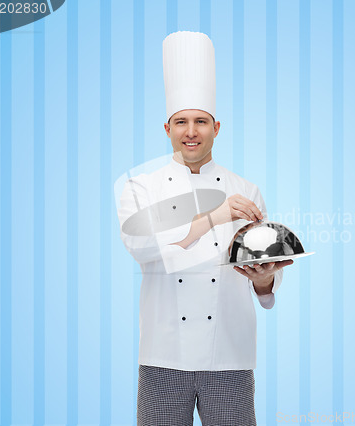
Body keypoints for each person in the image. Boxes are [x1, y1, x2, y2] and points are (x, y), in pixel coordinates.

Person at [117, 31, 293, 426]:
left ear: (217, 126)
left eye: (200, 121)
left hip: (229, 354)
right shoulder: (140, 187)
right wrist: (215, 216)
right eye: (181, 122)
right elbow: (143, 247)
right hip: (163, 356)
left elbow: (260, 275)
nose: (191, 131)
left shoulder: (245, 189)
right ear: (167, 128)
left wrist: (265, 280)